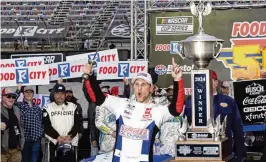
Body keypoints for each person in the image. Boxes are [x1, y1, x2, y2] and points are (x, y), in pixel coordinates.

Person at [82, 57, 185, 162]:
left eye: (143, 84)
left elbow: (176, 109)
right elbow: (97, 98)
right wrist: (90, 77)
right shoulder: (121, 104)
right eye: (136, 84)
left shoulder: (156, 110)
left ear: (151, 88)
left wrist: (178, 80)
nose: (139, 88)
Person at [184, 70, 246, 162]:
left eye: (208, 81)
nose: (204, 84)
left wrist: (240, 154)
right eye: (201, 82)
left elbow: (237, 129)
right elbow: (185, 128)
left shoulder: (229, 101)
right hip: (197, 152)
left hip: (224, 152)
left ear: (216, 83)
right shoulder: (191, 103)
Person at [43, 84, 80, 162]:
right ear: (54, 94)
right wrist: (57, 137)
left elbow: (78, 123)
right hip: (54, 142)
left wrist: (71, 136)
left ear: (65, 95)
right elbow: (46, 126)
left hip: (70, 141)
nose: (60, 96)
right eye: (57, 94)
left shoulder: (73, 106)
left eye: (62, 94)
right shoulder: (47, 108)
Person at [95, 79, 130, 153]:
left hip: (122, 137)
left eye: (120, 95)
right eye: (116, 95)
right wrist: (111, 132)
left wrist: (126, 84)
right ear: (112, 95)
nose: (118, 97)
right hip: (107, 138)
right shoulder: (102, 106)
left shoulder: (123, 104)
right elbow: (98, 123)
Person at [16, 86, 43, 162]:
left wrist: (40, 133)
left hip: (36, 141)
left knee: (34, 160)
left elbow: (41, 122)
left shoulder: (37, 108)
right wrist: (18, 89)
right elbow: (12, 99)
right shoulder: (19, 105)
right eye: (26, 92)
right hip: (25, 141)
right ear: (23, 94)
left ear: (33, 94)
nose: (28, 94)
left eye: (30, 92)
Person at [1, 87, 24, 162]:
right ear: (2, 97)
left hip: (16, 151)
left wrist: (21, 143)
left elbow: (20, 126)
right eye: (8, 96)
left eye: (13, 96)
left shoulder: (16, 109)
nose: (11, 99)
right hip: (2, 152)